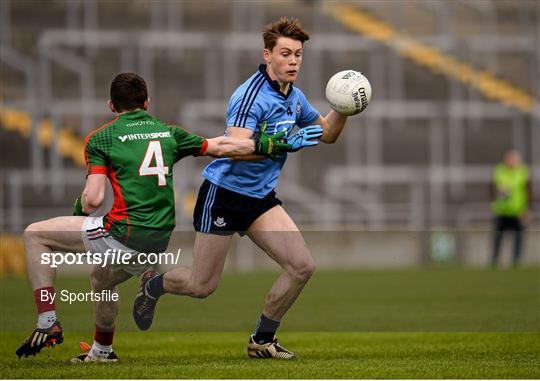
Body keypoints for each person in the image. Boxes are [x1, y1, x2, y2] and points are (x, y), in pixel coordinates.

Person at [15, 72, 296, 361]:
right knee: (101, 279)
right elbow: (221, 146)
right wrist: (268, 145)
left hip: (123, 233)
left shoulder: (102, 138)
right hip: (157, 240)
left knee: (34, 235)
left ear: (111, 105)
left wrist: (80, 202)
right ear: (147, 102)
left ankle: (47, 321)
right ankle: (102, 351)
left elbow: (93, 200)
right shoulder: (169, 133)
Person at [133, 17, 356, 359]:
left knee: (302, 267)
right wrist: (282, 143)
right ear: (267, 55)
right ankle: (152, 285)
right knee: (201, 285)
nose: (293, 60)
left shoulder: (295, 98)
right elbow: (235, 148)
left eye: (298, 54)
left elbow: (326, 133)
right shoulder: (251, 95)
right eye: (285, 53)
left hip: (259, 200)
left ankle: (262, 339)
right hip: (223, 195)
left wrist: (344, 108)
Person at [490, 149, 533, 267]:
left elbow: (529, 191)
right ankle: (494, 261)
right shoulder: (499, 171)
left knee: (518, 239)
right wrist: (495, 199)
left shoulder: (523, 172)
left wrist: (527, 209)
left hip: (518, 212)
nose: (511, 161)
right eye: (509, 158)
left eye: (513, 158)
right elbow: (491, 188)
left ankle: (516, 262)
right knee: (497, 238)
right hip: (501, 212)